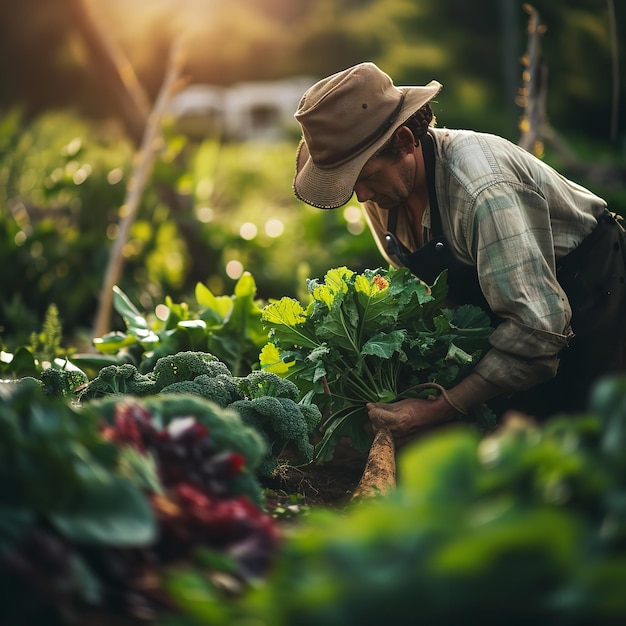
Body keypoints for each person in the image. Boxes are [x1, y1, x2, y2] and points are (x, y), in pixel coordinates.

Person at [292, 61, 626, 444]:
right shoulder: (384, 190)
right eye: (351, 184)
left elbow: (538, 330)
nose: (362, 196)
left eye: (366, 177)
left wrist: (439, 408)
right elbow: (425, 291)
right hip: (512, 311)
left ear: (404, 141)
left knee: (587, 446)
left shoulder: (481, 190)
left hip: (591, 294)